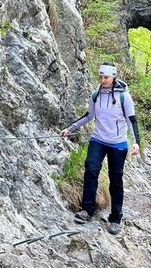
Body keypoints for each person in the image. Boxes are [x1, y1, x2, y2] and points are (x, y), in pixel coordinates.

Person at [60, 63, 140, 235]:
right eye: (101, 77)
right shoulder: (96, 95)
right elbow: (89, 116)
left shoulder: (124, 97)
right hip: (98, 140)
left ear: (113, 77)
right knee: (91, 169)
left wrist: (136, 142)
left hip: (118, 143)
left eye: (106, 77)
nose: (103, 80)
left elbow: (132, 120)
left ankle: (116, 218)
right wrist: (70, 128)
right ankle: (87, 209)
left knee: (116, 179)